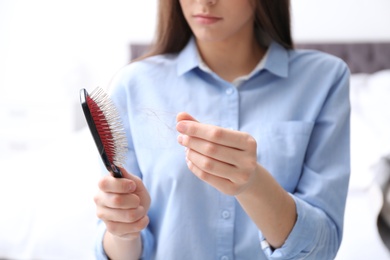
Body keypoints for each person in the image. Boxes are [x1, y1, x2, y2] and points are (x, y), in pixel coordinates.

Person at [94, 0, 351, 259]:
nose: (205, 2)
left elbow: (323, 248)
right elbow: (126, 249)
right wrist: (123, 230)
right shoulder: (133, 85)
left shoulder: (325, 79)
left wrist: (253, 184)